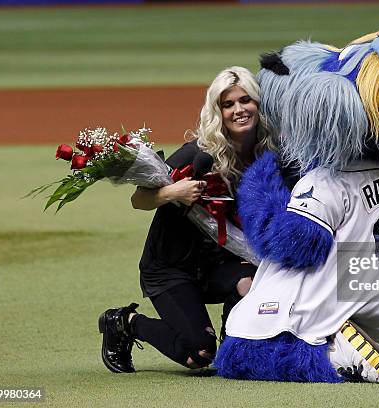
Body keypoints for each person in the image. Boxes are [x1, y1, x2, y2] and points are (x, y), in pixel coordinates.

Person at [98, 66, 274, 373]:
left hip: (219, 264)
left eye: (246, 100)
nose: (239, 110)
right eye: (228, 104)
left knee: (253, 281)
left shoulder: (267, 154)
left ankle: (235, 345)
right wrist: (173, 192)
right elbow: (138, 200)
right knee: (199, 355)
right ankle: (126, 323)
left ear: (258, 103)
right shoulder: (196, 154)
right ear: (218, 112)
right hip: (170, 268)